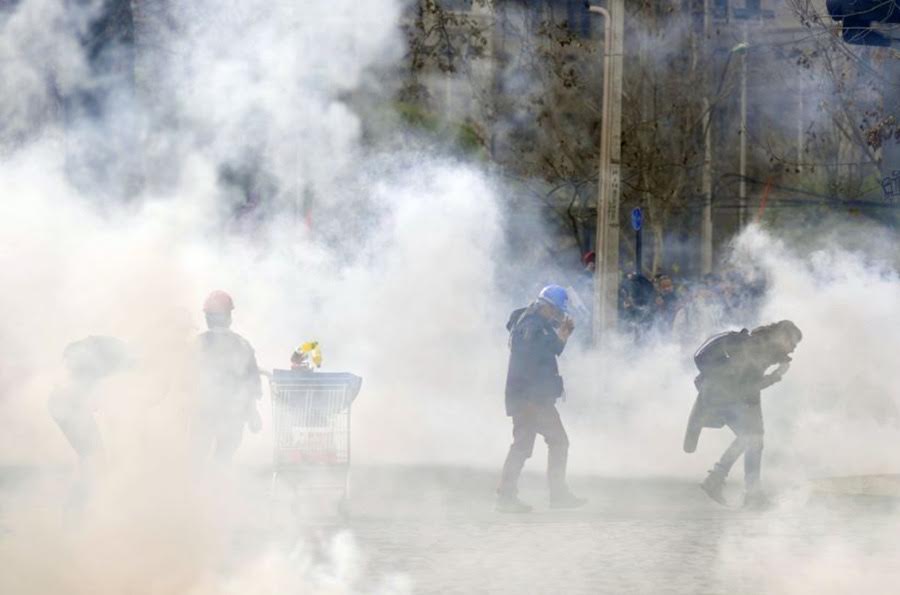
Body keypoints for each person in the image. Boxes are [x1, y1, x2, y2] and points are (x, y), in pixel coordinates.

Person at [683, 320, 803, 509]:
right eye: (792, 342)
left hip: (726, 395)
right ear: (782, 337)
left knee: (753, 439)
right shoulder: (755, 348)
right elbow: (748, 386)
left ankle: (741, 489)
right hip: (721, 396)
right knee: (751, 437)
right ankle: (730, 485)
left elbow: (748, 387)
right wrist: (776, 376)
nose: (793, 348)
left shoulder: (764, 349)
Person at [497, 285, 586, 513]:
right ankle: (553, 495)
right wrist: (531, 400)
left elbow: (550, 349)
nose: (557, 316)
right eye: (556, 311)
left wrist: (563, 333)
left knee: (527, 445)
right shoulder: (532, 327)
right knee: (552, 442)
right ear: (546, 307)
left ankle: (510, 496)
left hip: (530, 397)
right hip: (531, 399)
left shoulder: (533, 324)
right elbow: (535, 358)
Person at [48, 336, 131, 514]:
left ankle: (80, 510)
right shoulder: (115, 354)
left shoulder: (96, 351)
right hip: (69, 406)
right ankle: (78, 512)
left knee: (92, 459)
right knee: (94, 460)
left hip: (67, 404)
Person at [193, 290, 262, 463]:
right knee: (223, 459)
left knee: (197, 458)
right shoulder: (243, 345)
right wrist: (253, 414)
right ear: (229, 317)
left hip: (203, 412)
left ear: (207, 318)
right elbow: (251, 385)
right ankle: (218, 479)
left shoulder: (197, 344)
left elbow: (185, 379)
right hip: (233, 413)